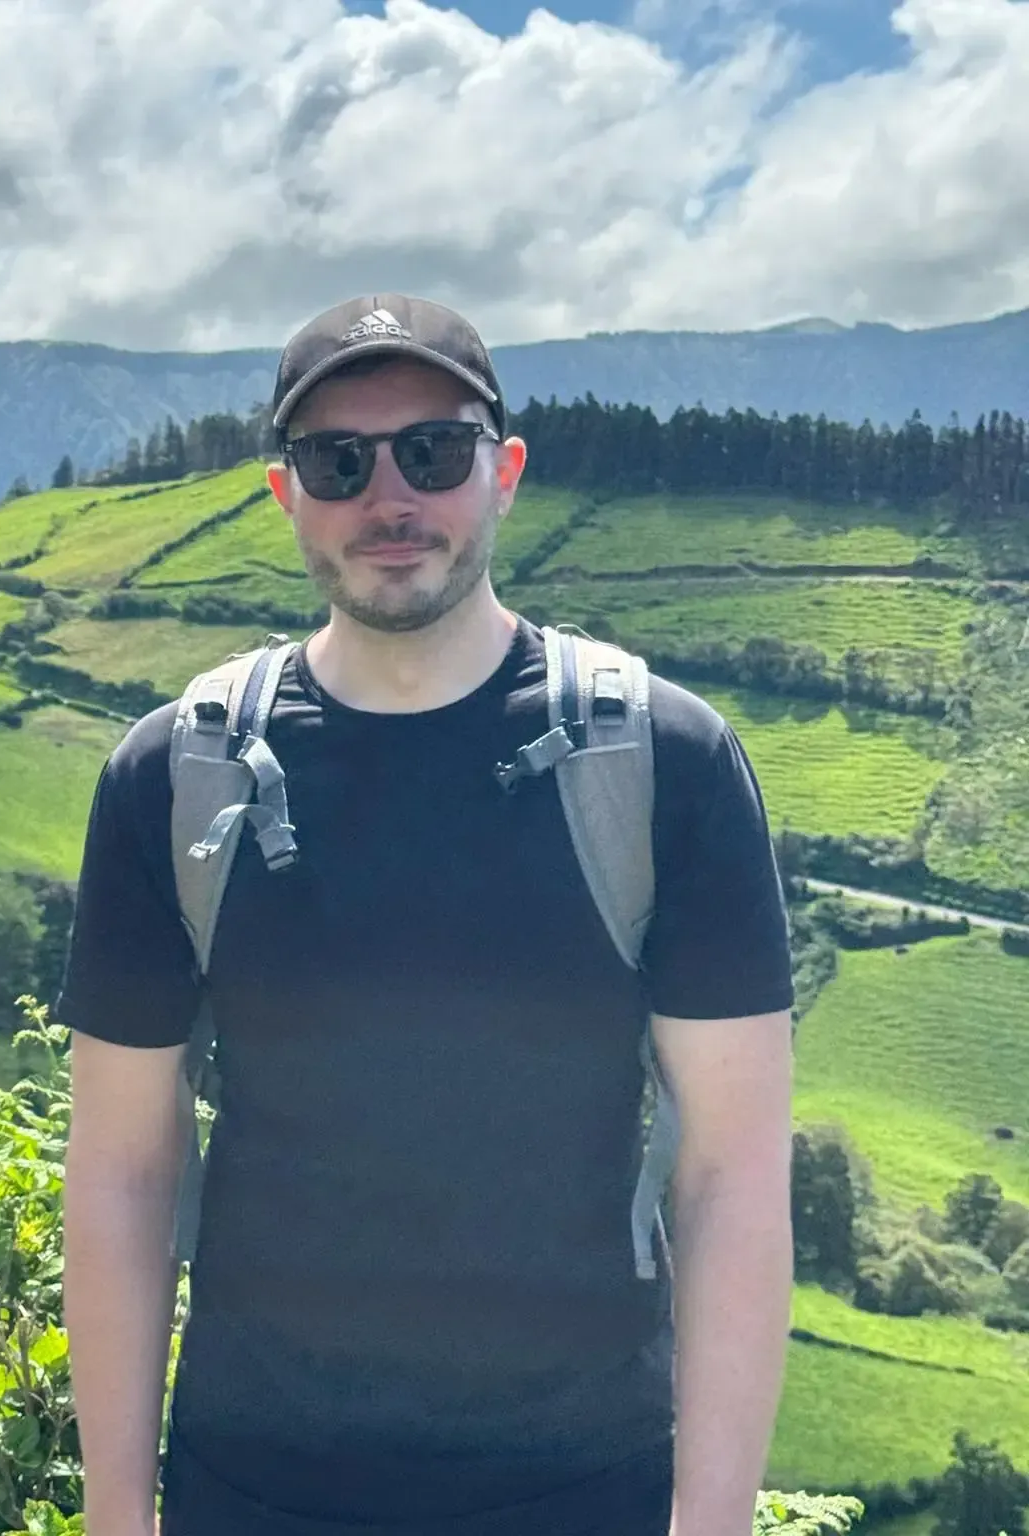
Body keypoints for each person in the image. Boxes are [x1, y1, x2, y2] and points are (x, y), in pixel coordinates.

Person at [57, 293, 795, 1536]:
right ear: (286, 494)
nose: (388, 497)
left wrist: (712, 1519)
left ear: (502, 471)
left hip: (582, 1487)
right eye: (338, 461)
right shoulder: (175, 775)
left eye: (433, 451)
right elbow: (123, 1171)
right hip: (251, 1490)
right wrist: (116, 1513)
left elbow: (730, 1176)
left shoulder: (664, 764)